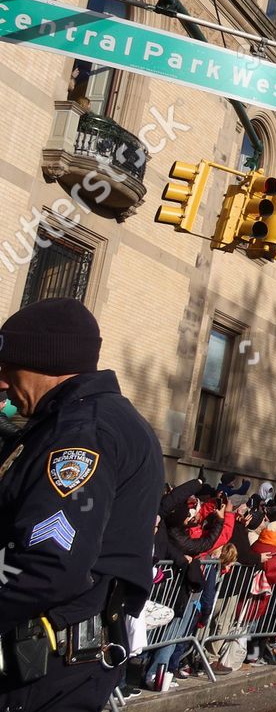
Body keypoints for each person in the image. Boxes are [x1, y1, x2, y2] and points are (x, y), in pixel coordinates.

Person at [0, 298, 164, 712]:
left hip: (48, 668)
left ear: (41, 361)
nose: (1, 382)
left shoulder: (81, 433)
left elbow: (50, 564)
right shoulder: (81, 422)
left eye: (6, 367)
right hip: (59, 662)